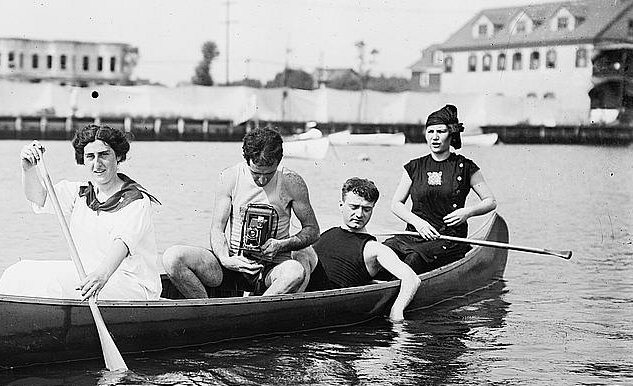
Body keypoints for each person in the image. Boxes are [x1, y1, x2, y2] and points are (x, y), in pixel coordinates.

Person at [0, 125, 162, 301]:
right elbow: (39, 197)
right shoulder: (80, 193)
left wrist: (101, 276)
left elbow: (122, 244)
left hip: (131, 285)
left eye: (104, 155)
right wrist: (28, 168)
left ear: (118, 156)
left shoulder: (136, 200)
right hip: (90, 276)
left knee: (51, 282)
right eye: (90, 156)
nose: (97, 164)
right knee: (19, 271)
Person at [162, 126, 320, 298]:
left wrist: (281, 245)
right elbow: (217, 230)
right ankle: (207, 308)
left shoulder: (292, 182)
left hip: (272, 268)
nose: (262, 180)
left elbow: (312, 230)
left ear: (279, 161)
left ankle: (257, 309)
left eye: (269, 174)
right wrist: (225, 259)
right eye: (256, 173)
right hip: (233, 263)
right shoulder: (230, 177)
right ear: (247, 160)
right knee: (172, 258)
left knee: (295, 272)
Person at [384, 104, 497, 273]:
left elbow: (490, 201)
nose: (435, 137)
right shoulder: (414, 167)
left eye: (441, 131)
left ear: (451, 134)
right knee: (384, 251)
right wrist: (418, 223)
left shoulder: (466, 167)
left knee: (413, 259)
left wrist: (467, 212)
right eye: (430, 132)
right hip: (415, 234)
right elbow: (396, 204)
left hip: (448, 239)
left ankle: (398, 286)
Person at [301, 177, 421, 322]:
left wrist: (396, 311)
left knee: (302, 249)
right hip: (307, 293)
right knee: (301, 247)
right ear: (341, 205)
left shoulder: (374, 248)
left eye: (366, 209)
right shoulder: (326, 233)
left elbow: (412, 279)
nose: (359, 215)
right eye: (354, 207)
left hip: (330, 303)